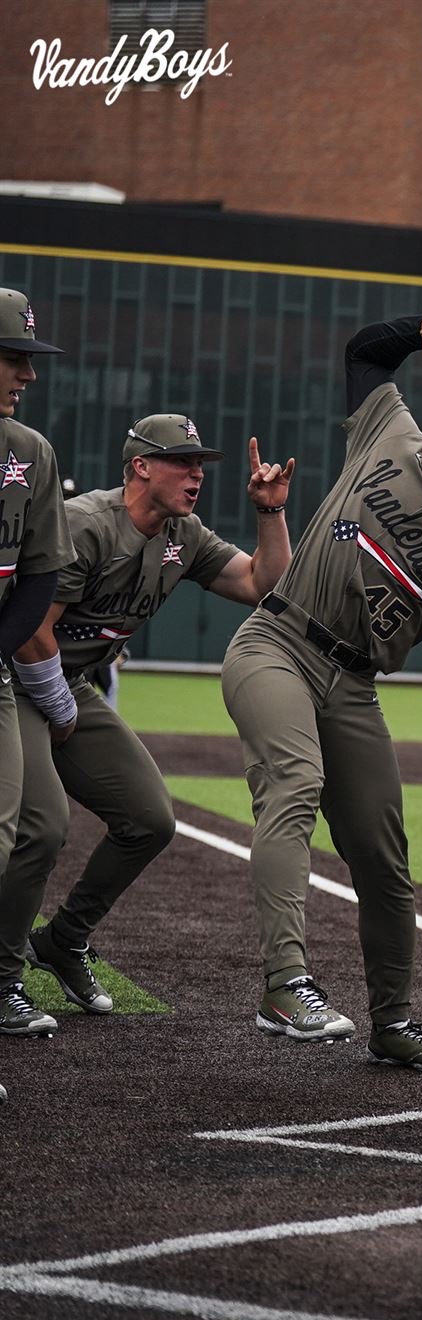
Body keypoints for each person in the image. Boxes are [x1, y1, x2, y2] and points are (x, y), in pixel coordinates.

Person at [221, 313, 422, 1073]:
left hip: (355, 687)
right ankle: (285, 984)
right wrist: (415, 333)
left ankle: (392, 1023)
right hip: (277, 642)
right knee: (295, 785)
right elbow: (364, 354)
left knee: (383, 862)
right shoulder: (391, 434)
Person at [0, 415, 292, 1030]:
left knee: (150, 821)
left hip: (69, 686)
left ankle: (63, 940)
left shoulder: (182, 533)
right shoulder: (86, 523)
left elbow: (261, 582)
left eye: (201, 465)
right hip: (21, 680)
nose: (196, 475)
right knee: (43, 828)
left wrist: (270, 513)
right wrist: (58, 707)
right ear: (140, 466)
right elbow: (31, 629)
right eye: (183, 462)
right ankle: (2, 980)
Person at [0, 288, 78, 1044]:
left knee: (31, 829)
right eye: (15, 357)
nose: (27, 373)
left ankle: (0, 982)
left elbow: (40, 579)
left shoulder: (28, 451)